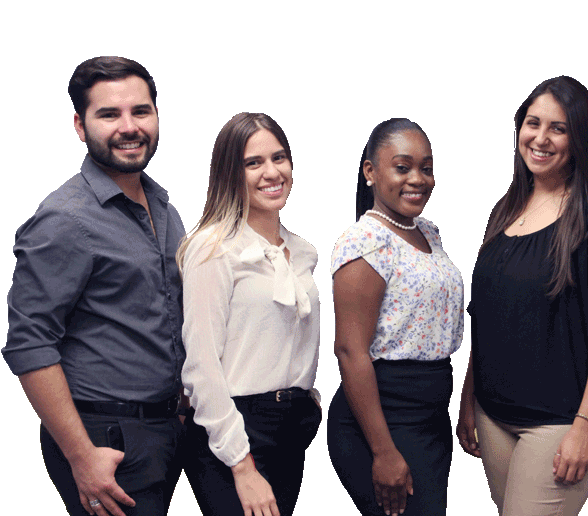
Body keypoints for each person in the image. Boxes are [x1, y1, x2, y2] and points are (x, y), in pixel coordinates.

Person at [3, 56, 185, 516]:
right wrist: (82, 457)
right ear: (81, 127)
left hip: (165, 427)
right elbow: (29, 344)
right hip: (106, 439)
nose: (129, 127)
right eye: (109, 114)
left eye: (140, 111)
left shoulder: (162, 204)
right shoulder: (64, 219)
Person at [457, 76, 588, 516]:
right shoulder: (505, 209)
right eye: (533, 123)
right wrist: (468, 400)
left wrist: (586, 426)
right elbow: (490, 317)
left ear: (580, 139)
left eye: (558, 127)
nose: (541, 138)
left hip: (560, 423)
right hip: (494, 415)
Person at [178, 112, 321, 516]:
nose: (271, 172)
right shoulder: (212, 248)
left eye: (279, 158)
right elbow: (201, 365)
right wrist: (242, 466)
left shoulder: (302, 251)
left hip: (290, 429)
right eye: (253, 163)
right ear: (230, 173)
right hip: (234, 432)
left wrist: (307, 399)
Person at [328, 118, 464, 516]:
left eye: (426, 168)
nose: (418, 179)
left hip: (431, 416)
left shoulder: (429, 231)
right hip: (384, 419)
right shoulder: (364, 240)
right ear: (370, 171)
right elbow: (350, 351)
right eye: (402, 167)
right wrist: (384, 452)